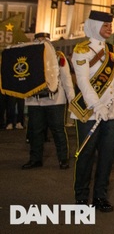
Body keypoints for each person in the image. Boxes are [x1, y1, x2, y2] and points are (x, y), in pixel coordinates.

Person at [71, 10, 114, 212]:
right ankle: (81, 197)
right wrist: (96, 105)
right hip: (90, 111)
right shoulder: (82, 49)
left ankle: (100, 197)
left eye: (110, 26)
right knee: (86, 154)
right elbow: (83, 80)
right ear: (94, 25)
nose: (109, 29)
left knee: (107, 155)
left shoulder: (112, 50)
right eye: (105, 26)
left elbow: (113, 79)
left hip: (111, 111)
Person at [22, 32, 75, 170]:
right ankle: (35, 159)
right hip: (35, 100)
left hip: (56, 100)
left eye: (45, 40)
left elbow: (66, 79)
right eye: (39, 40)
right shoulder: (29, 58)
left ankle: (63, 159)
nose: (42, 43)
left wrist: (72, 99)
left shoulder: (58, 57)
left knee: (58, 130)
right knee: (36, 131)